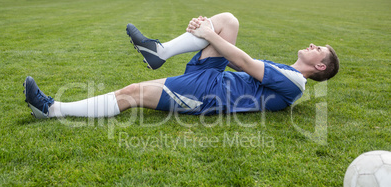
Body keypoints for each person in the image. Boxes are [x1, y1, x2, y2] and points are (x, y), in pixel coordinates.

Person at [23, 13, 339, 119]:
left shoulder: (295, 83)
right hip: (214, 77)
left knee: (131, 92)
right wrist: (209, 31)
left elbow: (242, 61)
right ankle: (159, 51)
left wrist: (205, 34)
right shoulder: (286, 71)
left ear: (321, 66)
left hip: (210, 94)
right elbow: (234, 60)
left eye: (318, 49)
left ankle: (53, 110)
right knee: (228, 20)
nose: (312, 45)